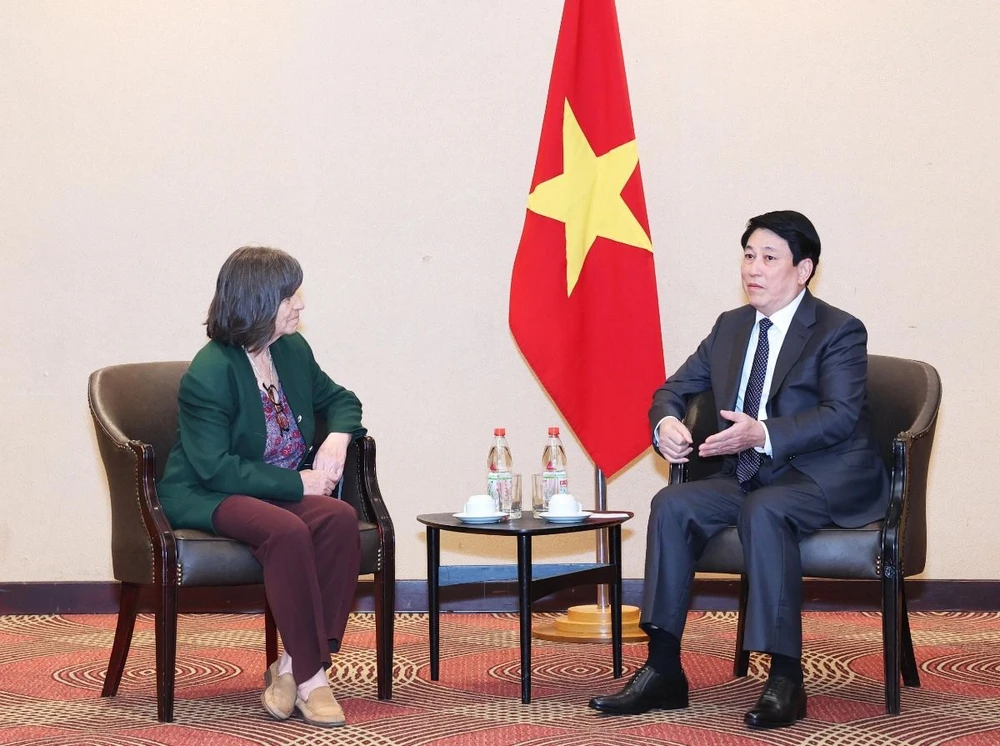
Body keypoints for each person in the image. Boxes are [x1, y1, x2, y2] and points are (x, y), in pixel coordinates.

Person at [589, 211, 889, 729]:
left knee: (766, 508)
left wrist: (764, 433)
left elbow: (839, 417)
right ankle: (663, 668)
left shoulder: (838, 330)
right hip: (751, 474)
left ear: (803, 270)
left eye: (769, 258)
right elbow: (671, 391)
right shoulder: (730, 327)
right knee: (672, 503)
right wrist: (665, 424)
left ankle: (785, 678)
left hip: (824, 474)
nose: (754, 268)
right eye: (749, 255)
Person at [158, 246, 365, 728]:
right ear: (258, 302)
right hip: (209, 491)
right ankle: (314, 680)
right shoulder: (210, 371)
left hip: (273, 489)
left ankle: (292, 664)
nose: (300, 305)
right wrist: (298, 482)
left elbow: (342, 399)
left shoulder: (292, 350)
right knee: (286, 531)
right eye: (290, 296)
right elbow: (214, 467)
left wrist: (337, 435)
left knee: (339, 518)